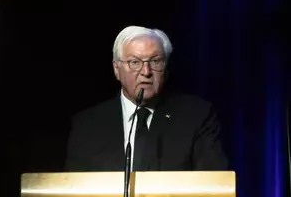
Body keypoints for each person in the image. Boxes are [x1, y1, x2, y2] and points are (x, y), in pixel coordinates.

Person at [64, 25, 229, 172]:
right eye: (135, 62)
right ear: (117, 69)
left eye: (155, 61)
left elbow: (214, 184)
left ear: (165, 68)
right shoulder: (87, 126)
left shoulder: (197, 116)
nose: (146, 71)